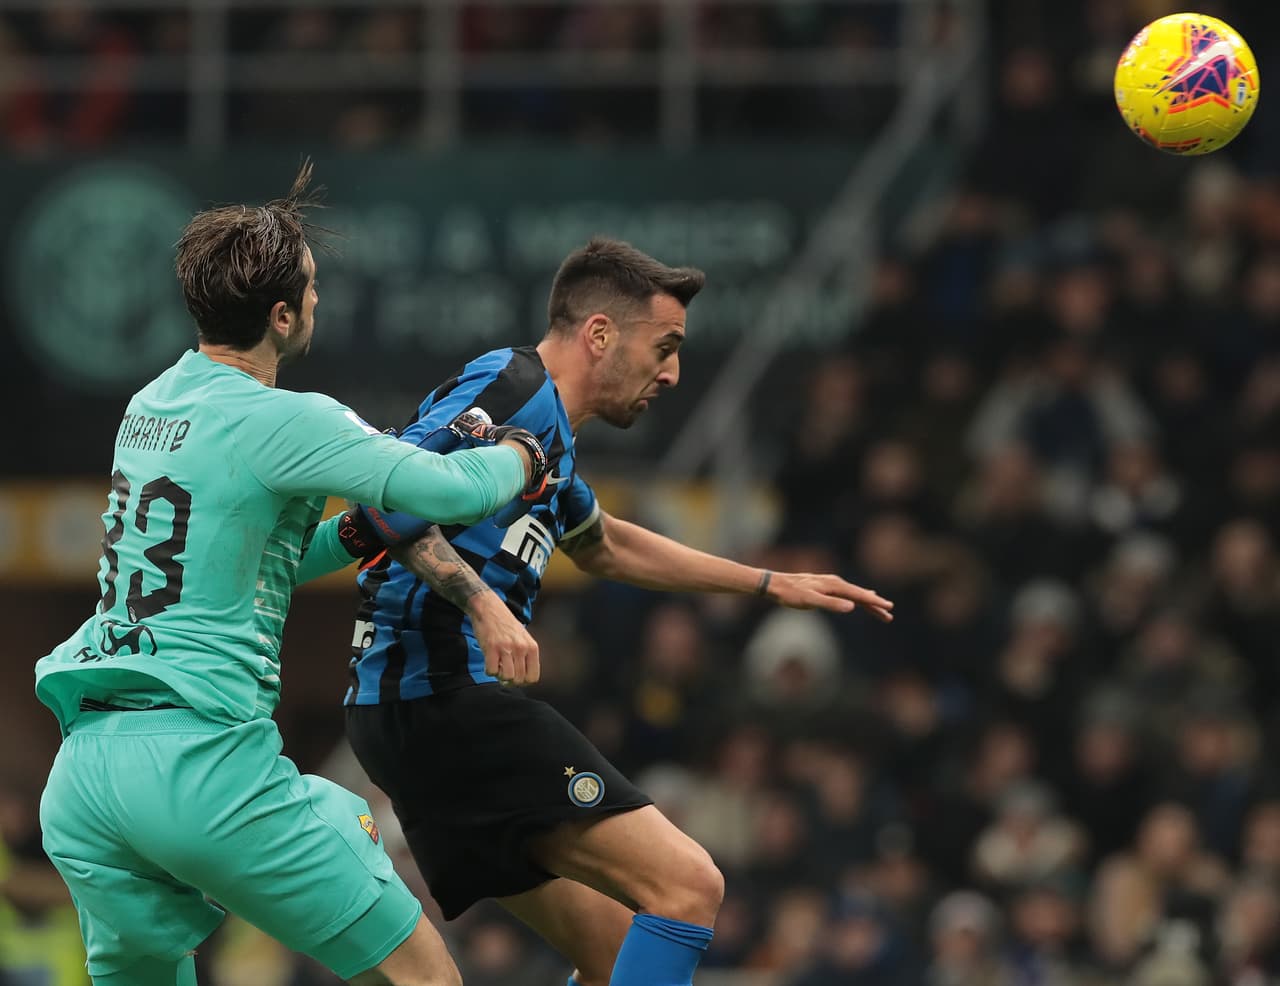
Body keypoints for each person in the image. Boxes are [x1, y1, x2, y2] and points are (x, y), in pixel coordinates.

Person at [33, 162, 549, 986]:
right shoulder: (285, 418)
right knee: (428, 977)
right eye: (310, 288)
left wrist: (348, 536)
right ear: (281, 316)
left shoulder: (151, 405)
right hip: (199, 768)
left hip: (88, 778)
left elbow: (227, 570)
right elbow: (450, 489)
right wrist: (521, 455)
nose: (317, 300)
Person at [340, 237, 895, 986]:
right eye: (664, 347)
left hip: (412, 714)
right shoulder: (514, 385)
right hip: (440, 701)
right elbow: (383, 492)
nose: (671, 373)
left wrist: (769, 583)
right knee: (692, 887)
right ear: (599, 335)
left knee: (616, 957)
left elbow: (604, 546)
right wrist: (482, 605)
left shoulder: (553, 439)